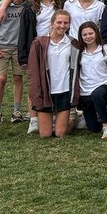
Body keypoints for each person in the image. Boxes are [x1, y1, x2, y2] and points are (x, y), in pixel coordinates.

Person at [25, 9, 78, 139]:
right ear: (52, 23)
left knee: (60, 133)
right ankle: (55, 121)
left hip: (64, 90)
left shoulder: (73, 43)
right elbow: (33, 71)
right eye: (59, 22)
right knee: (45, 135)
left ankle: (71, 121)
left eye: (66, 23)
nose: (62, 26)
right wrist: (35, 92)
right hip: (46, 91)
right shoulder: (39, 43)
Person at [73, 21, 107, 138]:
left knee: (97, 95)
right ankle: (105, 115)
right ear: (81, 37)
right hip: (85, 90)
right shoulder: (79, 52)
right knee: (94, 128)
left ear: (96, 33)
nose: (88, 37)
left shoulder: (105, 49)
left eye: (90, 33)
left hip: (103, 85)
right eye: (84, 35)